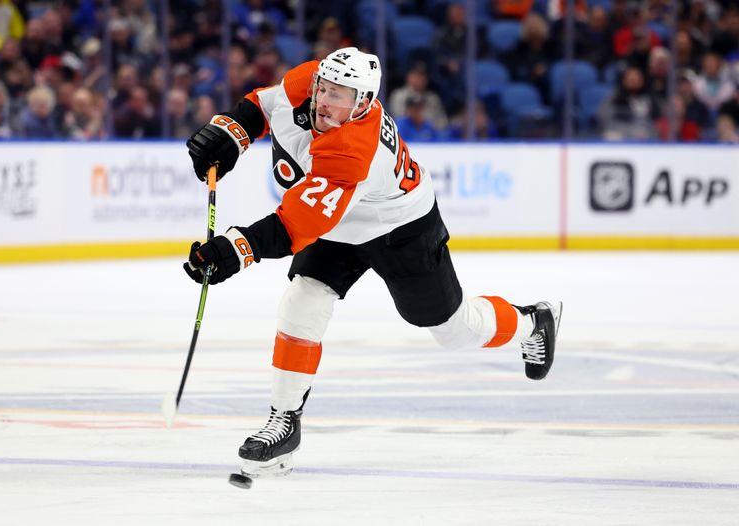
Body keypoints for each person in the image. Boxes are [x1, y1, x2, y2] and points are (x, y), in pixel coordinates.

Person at [184, 47, 562, 478]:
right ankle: (284, 423)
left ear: (363, 103)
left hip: (399, 226)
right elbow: (263, 105)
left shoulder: (352, 149)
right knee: (302, 301)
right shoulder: (307, 83)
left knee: (454, 330)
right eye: (324, 89)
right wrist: (231, 133)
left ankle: (534, 322)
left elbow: (295, 225)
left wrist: (232, 250)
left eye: (340, 96)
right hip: (339, 224)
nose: (325, 102)